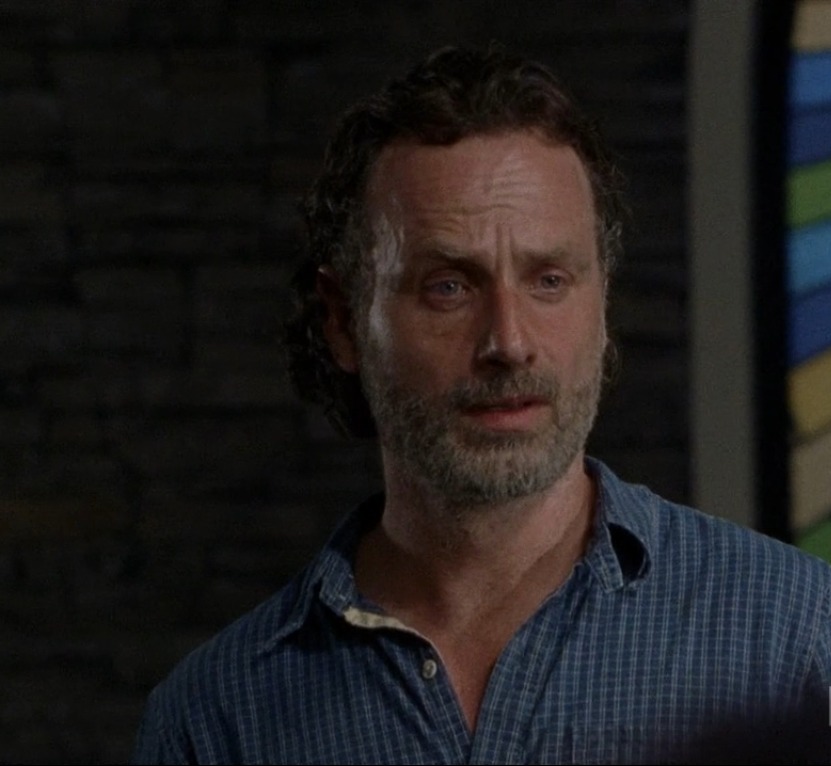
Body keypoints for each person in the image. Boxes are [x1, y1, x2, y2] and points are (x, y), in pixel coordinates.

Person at [131, 44, 831, 764]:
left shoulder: (797, 638)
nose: (508, 342)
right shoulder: (216, 720)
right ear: (343, 320)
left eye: (548, 280)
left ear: (602, 304)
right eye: (448, 287)